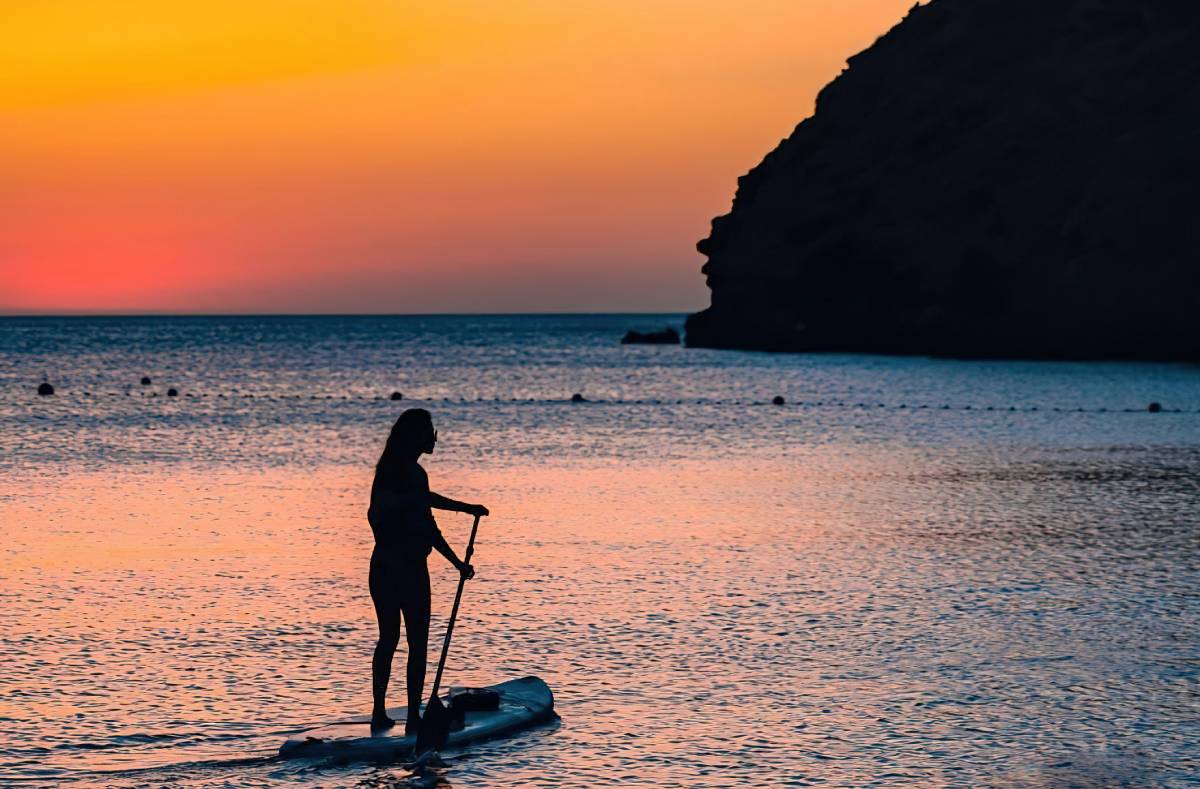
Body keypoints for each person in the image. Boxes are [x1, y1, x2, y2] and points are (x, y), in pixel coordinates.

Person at [367, 408, 488, 732]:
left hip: (383, 567)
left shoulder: (393, 472)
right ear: (416, 436)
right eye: (429, 430)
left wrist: (458, 561)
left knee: (388, 640)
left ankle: (382, 714)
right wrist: (457, 554)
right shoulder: (406, 474)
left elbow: (425, 518)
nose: (434, 437)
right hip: (405, 569)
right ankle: (412, 719)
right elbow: (424, 523)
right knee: (413, 643)